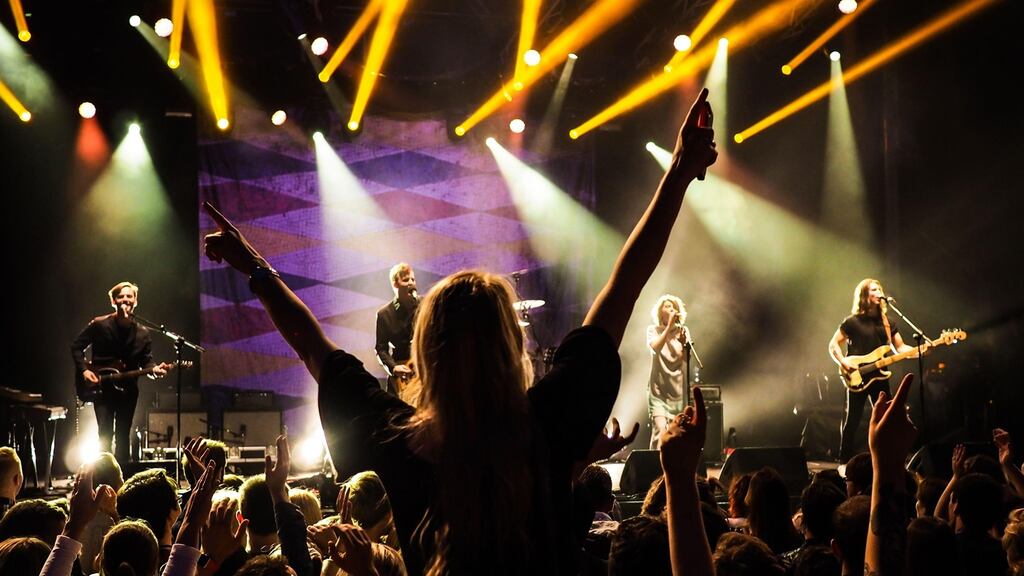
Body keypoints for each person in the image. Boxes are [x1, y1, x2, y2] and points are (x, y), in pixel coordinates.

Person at [202, 87, 717, 574]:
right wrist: (677, 173)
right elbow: (623, 288)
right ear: (513, 347)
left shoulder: (396, 437)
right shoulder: (549, 420)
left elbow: (312, 346)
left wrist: (255, 268)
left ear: (425, 355)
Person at [71, 282, 170, 464]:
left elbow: (146, 361)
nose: (125, 300)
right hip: (102, 389)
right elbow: (76, 347)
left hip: (128, 391)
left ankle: (121, 480)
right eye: (121, 296)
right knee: (105, 434)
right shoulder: (99, 325)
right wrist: (84, 371)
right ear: (113, 301)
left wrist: (155, 370)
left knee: (124, 435)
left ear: (135, 301)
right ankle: (103, 479)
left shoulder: (143, 333)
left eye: (129, 296)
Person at [828, 278, 916, 462]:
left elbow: (900, 348)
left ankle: (887, 455)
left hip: (880, 376)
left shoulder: (888, 322)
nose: (878, 293)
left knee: (887, 417)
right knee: (853, 419)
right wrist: (843, 362)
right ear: (864, 295)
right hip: (857, 375)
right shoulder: (852, 322)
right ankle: (844, 459)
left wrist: (921, 350)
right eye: (873, 290)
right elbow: (833, 344)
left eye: (879, 289)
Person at [646, 294, 689, 449]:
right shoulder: (653, 330)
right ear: (660, 311)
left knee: (675, 436)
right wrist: (668, 327)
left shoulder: (683, 331)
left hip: (677, 391)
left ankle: (671, 471)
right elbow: (656, 348)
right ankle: (653, 469)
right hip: (658, 391)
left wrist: (684, 345)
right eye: (667, 306)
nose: (671, 309)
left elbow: (685, 361)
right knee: (660, 431)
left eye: (673, 307)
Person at [375, 263, 418, 396]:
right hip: (402, 373)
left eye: (413, 279)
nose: (411, 283)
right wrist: (394, 368)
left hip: (424, 370)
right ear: (395, 285)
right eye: (405, 280)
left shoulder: (424, 305)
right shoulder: (384, 314)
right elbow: (380, 349)